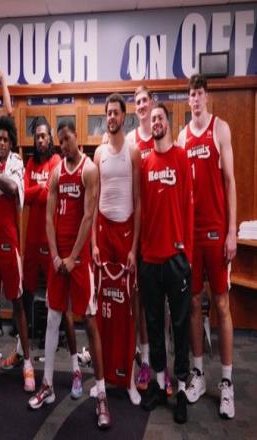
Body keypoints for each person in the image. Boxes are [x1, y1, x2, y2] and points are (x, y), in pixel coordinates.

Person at [29, 119, 111, 430]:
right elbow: (49, 218)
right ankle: (48, 385)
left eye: (67, 139)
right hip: (59, 260)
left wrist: (73, 258)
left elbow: (89, 216)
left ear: (76, 136)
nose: (63, 145)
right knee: (52, 318)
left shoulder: (89, 170)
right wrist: (54, 256)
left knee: (89, 321)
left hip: (79, 261)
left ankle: (101, 394)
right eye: (59, 140)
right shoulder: (56, 173)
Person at [178, 74, 237, 419]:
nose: (196, 99)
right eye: (191, 94)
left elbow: (230, 181)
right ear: (188, 100)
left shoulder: (220, 129)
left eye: (200, 93)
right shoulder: (183, 136)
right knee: (193, 304)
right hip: (191, 235)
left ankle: (227, 382)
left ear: (206, 97)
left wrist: (232, 231)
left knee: (221, 304)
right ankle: (198, 374)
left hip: (216, 230)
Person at [12, 117, 81, 399]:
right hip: (32, 241)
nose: (40, 140)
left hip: (54, 245)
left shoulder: (56, 161)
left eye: (44, 136)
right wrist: (40, 190)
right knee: (25, 297)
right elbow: (25, 197)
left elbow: (42, 194)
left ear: (51, 138)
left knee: (62, 307)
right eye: (37, 136)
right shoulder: (31, 163)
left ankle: (75, 365)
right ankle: (22, 351)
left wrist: (37, 191)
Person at [140, 103, 193, 424]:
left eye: (160, 117)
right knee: (154, 324)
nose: (156, 122)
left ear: (168, 123)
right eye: (153, 119)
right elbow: (143, 210)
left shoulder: (182, 158)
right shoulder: (146, 162)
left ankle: (182, 389)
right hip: (149, 260)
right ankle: (161, 386)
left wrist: (187, 254)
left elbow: (189, 205)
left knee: (181, 326)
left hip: (176, 259)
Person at [92, 93, 141, 405]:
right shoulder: (98, 153)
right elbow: (93, 200)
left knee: (128, 308)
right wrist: (93, 243)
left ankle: (129, 379)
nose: (111, 117)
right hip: (103, 232)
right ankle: (103, 378)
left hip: (125, 232)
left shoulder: (133, 152)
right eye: (108, 113)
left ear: (124, 116)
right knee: (102, 307)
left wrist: (134, 247)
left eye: (116, 113)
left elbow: (138, 201)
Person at [0, 116, 34, 392]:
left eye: (5, 139)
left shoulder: (16, 162)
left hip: (9, 243)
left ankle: (27, 363)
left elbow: (13, 189)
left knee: (17, 302)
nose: (1, 143)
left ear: (10, 142)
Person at [126, 86, 174, 396]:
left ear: (153, 104)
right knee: (143, 300)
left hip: (162, 230)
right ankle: (145, 361)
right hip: (139, 230)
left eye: (145, 100)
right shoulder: (132, 141)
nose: (142, 105)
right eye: (138, 102)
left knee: (165, 304)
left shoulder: (164, 137)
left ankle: (163, 364)